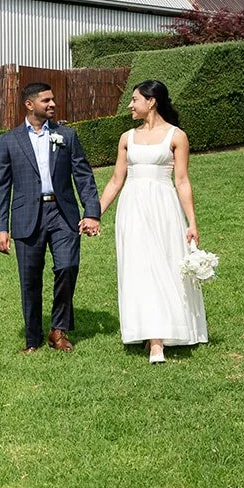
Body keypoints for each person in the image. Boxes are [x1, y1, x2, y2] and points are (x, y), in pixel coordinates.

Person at [96, 80, 208, 363]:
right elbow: (115, 181)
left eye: (134, 100)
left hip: (163, 207)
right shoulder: (126, 138)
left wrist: (191, 222)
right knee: (138, 268)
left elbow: (182, 181)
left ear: (152, 101)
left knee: (163, 266)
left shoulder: (176, 136)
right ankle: (152, 337)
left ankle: (161, 334)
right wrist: (93, 214)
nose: (130, 105)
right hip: (132, 208)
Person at [0, 81, 102, 352]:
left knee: (67, 267)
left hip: (63, 214)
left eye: (53, 100)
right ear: (30, 104)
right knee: (29, 279)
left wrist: (91, 212)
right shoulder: (9, 141)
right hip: (26, 217)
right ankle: (32, 339)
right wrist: (0, 228)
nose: (52, 104)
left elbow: (84, 177)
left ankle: (59, 330)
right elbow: (2, 187)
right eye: (46, 100)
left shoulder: (67, 135)